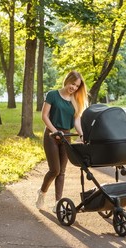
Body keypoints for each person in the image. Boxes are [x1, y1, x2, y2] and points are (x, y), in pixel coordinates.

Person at [36, 70, 88, 212]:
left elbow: (77, 121)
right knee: (55, 170)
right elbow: (44, 116)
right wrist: (54, 131)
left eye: (77, 86)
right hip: (51, 135)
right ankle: (42, 193)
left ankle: (58, 202)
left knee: (62, 171)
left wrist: (82, 135)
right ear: (67, 81)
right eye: (73, 84)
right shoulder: (53, 95)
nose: (74, 88)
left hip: (66, 136)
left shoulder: (75, 100)